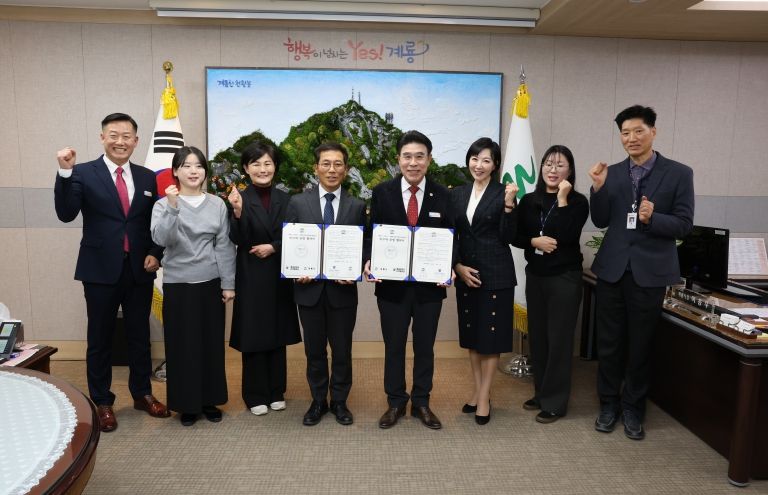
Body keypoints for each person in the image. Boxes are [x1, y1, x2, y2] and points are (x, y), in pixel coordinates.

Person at [54, 113, 169, 432]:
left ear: (136, 141)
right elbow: (65, 214)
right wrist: (64, 172)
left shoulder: (148, 177)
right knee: (100, 337)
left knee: (139, 337)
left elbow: (155, 225)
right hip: (99, 269)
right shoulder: (82, 172)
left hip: (139, 269)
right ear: (102, 138)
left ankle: (142, 394)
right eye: (114, 135)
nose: (121, 141)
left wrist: (155, 254)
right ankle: (102, 400)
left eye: (127, 136)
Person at [589, 105, 694, 440]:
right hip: (613, 270)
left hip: (650, 272)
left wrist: (654, 219)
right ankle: (608, 405)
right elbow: (601, 220)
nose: (631, 138)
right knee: (609, 343)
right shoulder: (613, 172)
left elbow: (684, 224)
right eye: (624, 133)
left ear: (653, 132)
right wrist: (597, 188)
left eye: (637, 131)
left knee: (641, 345)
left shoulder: (679, 173)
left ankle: (634, 409)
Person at [364, 130, 455, 430]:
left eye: (419, 156)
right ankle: (395, 403)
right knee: (394, 346)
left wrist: (450, 266)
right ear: (398, 159)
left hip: (430, 288)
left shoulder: (443, 195)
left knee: (425, 346)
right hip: (391, 287)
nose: (413, 163)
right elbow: (371, 233)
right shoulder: (382, 192)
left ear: (429, 160)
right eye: (407, 156)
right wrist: (368, 260)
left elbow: (452, 238)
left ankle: (422, 403)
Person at [151, 146, 236, 426]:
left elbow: (224, 246)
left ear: (205, 171)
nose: (193, 171)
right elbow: (162, 239)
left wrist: (228, 284)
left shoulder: (217, 204)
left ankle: (209, 400)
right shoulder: (164, 204)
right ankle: (187, 404)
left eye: (198, 166)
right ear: (175, 171)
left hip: (210, 282)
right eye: (186, 166)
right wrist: (173, 208)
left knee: (211, 345)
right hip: (178, 283)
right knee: (182, 346)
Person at [285, 142, 366, 426]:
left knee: (342, 350)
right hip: (308, 291)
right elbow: (290, 243)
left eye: (338, 164)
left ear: (346, 169)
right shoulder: (297, 202)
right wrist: (295, 269)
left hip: (343, 292)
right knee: (314, 350)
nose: (332, 169)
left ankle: (340, 402)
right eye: (326, 163)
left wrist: (356, 268)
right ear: (316, 168)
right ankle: (318, 400)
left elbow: (364, 247)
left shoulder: (357, 206)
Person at [512, 145, 589, 424]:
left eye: (560, 165)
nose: (553, 170)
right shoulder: (529, 199)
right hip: (536, 276)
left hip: (564, 277)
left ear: (570, 171)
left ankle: (555, 403)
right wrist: (534, 241)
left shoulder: (578, 201)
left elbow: (567, 235)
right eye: (548, 164)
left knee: (558, 339)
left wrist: (564, 198)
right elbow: (516, 234)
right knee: (540, 338)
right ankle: (542, 392)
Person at [228, 142, 301, 417]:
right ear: (246, 168)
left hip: (279, 273)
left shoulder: (287, 199)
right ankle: (254, 394)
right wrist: (236, 212)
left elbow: (294, 235)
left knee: (276, 332)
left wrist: (274, 247)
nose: (262, 169)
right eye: (256, 164)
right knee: (254, 333)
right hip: (251, 274)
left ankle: (276, 391)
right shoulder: (238, 198)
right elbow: (237, 238)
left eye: (268, 163)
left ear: (275, 166)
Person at [451, 137, 518, 425]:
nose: (479, 165)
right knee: (473, 339)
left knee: (490, 340)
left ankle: (483, 398)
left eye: (486, 160)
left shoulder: (505, 193)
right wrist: (457, 267)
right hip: (466, 274)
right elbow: (451, 234)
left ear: (495, 165)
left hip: (496, 275)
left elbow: (508, 237)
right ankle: (479, 392)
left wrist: (508, 206)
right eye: (475, 158)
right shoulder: (457, 193)